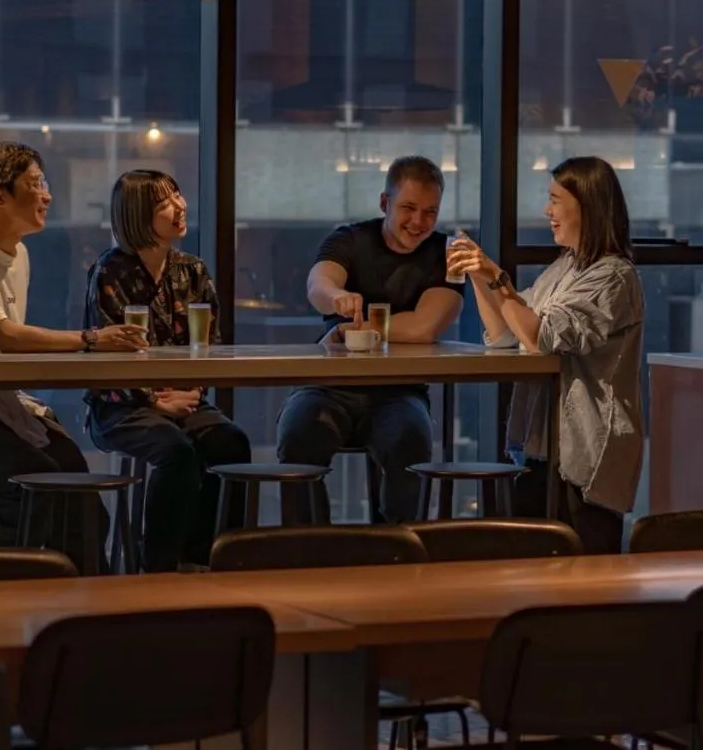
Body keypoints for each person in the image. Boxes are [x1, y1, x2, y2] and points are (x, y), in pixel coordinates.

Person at [0, 142, 147, 554]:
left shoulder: (19, 255)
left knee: (78, 485)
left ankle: (84, 599)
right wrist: (90, 339)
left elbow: (9, 339)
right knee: (28, 485)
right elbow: (6, 336)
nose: (47, 195)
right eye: (36, 183)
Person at [448, 156, 644, 554]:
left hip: (586, 444)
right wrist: (479, 275)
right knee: (539, 559)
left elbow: (542, 336)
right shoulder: (564, 267)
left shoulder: (613, 275)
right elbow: (507, 333)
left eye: (555, 200)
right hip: (546, 444)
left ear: (586, 206)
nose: (547, 211)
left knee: (586, 567)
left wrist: (497, 277)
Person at [276, 156, 464, 523]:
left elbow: (426, 327)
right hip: (327, 385)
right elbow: (318, 286)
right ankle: (306, 550)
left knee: (410, 442)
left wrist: (351, 328)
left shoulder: (446, 253)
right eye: (408, 208)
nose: (418, 222)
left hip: (399, 390)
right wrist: (336, 298)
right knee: (300, 436)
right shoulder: (349, 239)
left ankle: (397, 553)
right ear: (384, 203)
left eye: (430, 212)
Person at [84, 170, 251, 573]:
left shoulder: (192, 270)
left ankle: (205, 558)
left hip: (185, 401)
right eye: (165, 203)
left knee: (232, 444)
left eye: (178, 195)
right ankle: (156, 568)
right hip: (118, 406)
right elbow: (110, 354)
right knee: (176, 453)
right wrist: (154, 400)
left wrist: (187, 393)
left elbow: (210, 342)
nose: (180, 207)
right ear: (139, 216)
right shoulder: (110, 272)